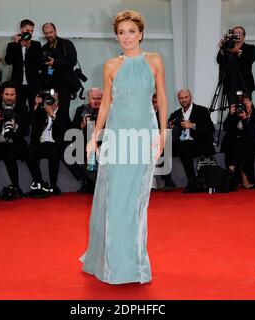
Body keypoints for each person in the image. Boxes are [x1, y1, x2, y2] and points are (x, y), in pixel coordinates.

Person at [81, 10, 167, 284]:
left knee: (135, 202)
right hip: (118, 136)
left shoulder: (154, 61)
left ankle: (133, 263)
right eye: (121, 32)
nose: (126, 37)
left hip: (144, 135)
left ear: (141, 33)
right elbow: (105, 103)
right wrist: (95, 136)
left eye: (131, 31)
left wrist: (163, 133)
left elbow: (162, 99)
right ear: (117, 36)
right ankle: (110, 262)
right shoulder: (111, 66)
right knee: (114, 198)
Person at [0, 81, 29, 199]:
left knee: (10, 155)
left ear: (16, 95)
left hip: (14, 143)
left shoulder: (22, 107)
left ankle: (16, 186)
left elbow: (26, 130)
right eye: (6, 94)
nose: (9, 97)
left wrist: (16, 127)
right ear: (2, 94)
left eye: (12, 94)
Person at [168, 89, 215, 193]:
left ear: (191, 97)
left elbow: (211, 128)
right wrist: (170, 127)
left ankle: (192, 180)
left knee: (184, 146)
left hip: (199, 144)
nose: (183, 100)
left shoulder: (202, 110)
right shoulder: (175, 114)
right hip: (181, 144)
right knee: (163, 148)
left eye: (186, 97)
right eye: (181, 98)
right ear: (178, 100)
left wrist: (192, 125)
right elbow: (169, 128)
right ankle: (167, 182)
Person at [220, 93, 255, 189]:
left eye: (247, 101)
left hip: (250, 141)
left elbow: (250, 132)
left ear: (251, 102)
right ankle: (243, 178)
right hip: (235, 141)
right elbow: (226, 128)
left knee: (244, 143)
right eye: (243, 101)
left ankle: (232, 167)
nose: (245, 103)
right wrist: (230, 115)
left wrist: (244, 119)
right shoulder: (236, 112)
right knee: (238, 144)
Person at [4, 19, 43, 113]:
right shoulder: (12, 45)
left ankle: (34, 127)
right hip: (18, 84)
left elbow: (40, 62)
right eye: (28, 31)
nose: (30, 33)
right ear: (21, 30)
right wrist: (16, 44)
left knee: (34, 110)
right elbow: (8, 61)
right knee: (19, 110)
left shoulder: (36, 45)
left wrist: (29, 47)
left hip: (33, 84)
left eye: (32, 31)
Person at [41, 22, 78, 120]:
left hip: (65, 84)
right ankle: (53, 133)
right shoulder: (44, 48)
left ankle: (65, 134)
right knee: (52, 111)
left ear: (55, 31)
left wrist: (55, 62)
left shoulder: (66, 44)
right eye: (46, 33)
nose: (49, 35)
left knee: (63, 111)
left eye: (51, 32)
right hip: (51, 85)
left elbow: (72, 61)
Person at [216, 26, 255, 104]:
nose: (237, 35)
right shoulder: (227, 48)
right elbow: (219, 60)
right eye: (235, 33)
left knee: (245, 110)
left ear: (244, 36)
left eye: (239, 33)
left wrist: (238, 51)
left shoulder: (250, 47)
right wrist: (222, 49)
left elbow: (250, 59)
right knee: (232, 110)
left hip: (245, 84)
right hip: (230, 84)